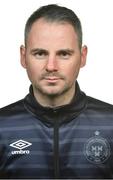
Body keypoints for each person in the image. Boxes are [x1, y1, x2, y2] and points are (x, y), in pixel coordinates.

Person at [0, 4, 113, 179]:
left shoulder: (110, 123)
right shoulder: (2, 126)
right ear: (23, 56)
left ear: (83, 56)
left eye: (63, 54)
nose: (51, 66)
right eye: (40, 53)